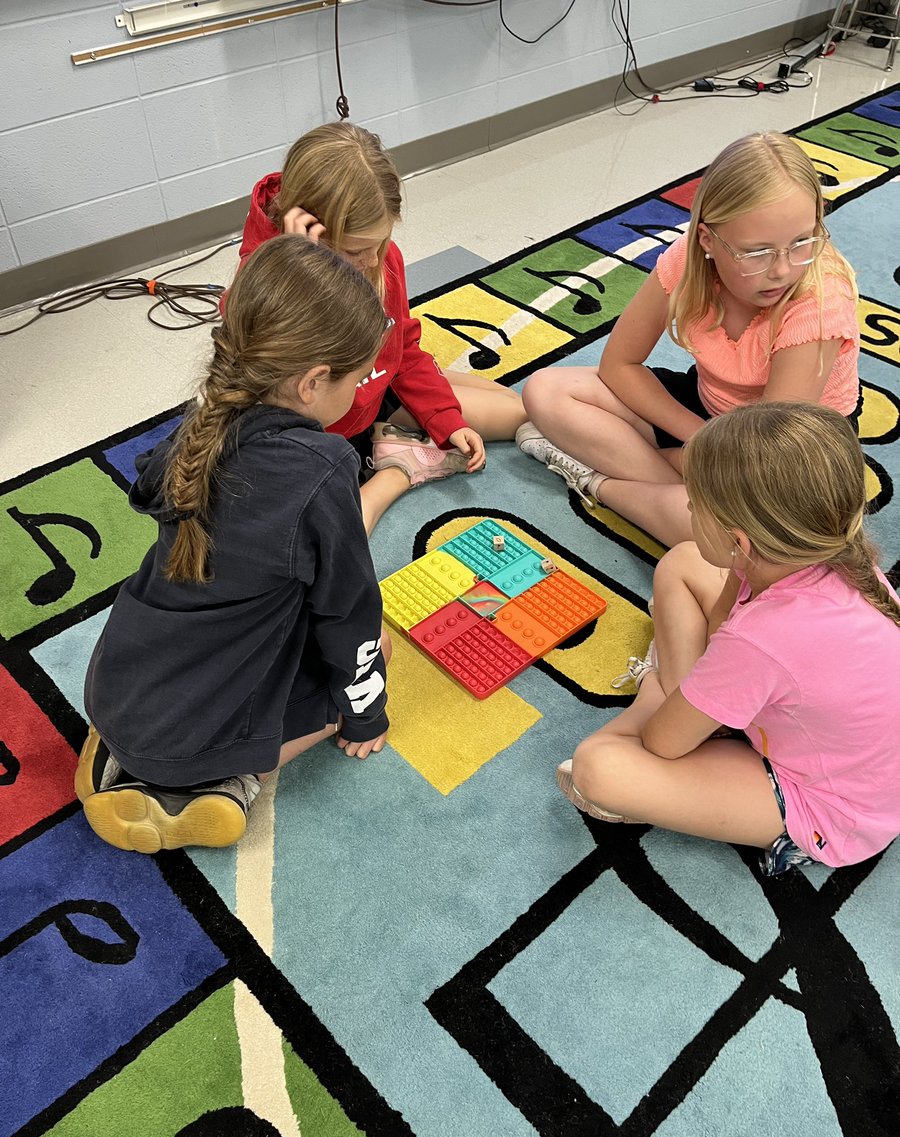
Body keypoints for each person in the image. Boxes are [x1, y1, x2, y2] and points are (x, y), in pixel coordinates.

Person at [74, 236, 395, 854]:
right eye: (357, 380)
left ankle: (116, 759)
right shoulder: (323, 468)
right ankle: (229, 781)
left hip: (117, 692)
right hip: (195, 736)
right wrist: (364, 713)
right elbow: (348, 613)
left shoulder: (197, 429)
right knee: (374, 650)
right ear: (313, 382)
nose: (360, 394)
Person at [556, 403, 900, 876]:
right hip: (848, 744)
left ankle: (668, 695)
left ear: (740, 542)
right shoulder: (818, 556)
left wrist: (662, 696)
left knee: (598, 768)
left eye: (694, 508)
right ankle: (705, 708)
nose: (689, 512)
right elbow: (722, 625)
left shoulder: (764, 637)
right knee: (680, 561)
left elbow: (663, 743)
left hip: (836, 808)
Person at [518, 131, 860, 547]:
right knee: (546, 389)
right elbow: (619, 364)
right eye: (757, 252)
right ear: (707, 240)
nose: (783, 270)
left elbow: (768, 450)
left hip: (789, 453)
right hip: (712, 419)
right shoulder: (687, 259)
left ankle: (605, 484)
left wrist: (667, 457)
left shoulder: (820, 301)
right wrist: (699, 441)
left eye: (802, 242)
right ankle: (692, 506)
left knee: (758, 542)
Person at [233, 122, 526, 534]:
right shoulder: (266, 281)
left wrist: (447, 420)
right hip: (316, 438)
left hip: (371, 397)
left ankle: (399, 436)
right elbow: (253, 371)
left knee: (520, 410)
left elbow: (402, 349)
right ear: (308, 233)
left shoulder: (380, 260)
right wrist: (297, 270)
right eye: (356, 250)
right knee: (332, 532)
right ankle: (398, 469)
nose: (373, 261)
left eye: (381, 242)